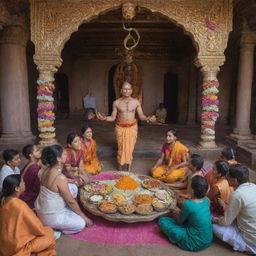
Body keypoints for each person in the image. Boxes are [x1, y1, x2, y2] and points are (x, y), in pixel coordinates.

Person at [34, 145, 93, 235]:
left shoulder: (45, 170)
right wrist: (85, 217)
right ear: (58, 159)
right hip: (50, 216)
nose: (67, 155)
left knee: (72, 186)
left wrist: (70, 180)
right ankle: (55, 229)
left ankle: (65, 216)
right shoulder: (60, 178)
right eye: (64, 154)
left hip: (41, 209)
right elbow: (71, 201)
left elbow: (54, 184)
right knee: (81, 223)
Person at [97, 81, 156, 171]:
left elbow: (141, 116)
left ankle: (128, 169)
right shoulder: (116, 103)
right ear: (121, 90)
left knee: (130, 149)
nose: (126, 91)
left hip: (132, 128)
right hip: (120, 128)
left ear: (131, 90)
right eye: (124, 89)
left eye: (128, 89)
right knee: (121, 148)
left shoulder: (136, 102)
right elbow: (112, 118)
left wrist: (149, 118)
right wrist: (104, 118)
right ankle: (120, 169)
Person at [0, 174, 56, 256]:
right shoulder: (19, 205)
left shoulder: (4, 200)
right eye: (23, 182)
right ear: (17, 188)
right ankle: (24, 252)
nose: (24, 184)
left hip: (4, 244)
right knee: (49, 234)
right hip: (15, 246)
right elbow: (38, 228)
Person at [158, 176, 213, 251]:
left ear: (193, 191)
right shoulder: (206, 200)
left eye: (190, 186)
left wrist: (176, 211)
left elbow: (179, 222)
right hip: (208, 239)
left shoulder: (188, 204)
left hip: (195, 242)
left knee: (163, 221)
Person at [212, 165, 256, 254]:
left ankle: (245, 246)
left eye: (228, 177)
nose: (226, 179)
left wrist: (215, 220)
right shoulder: (253, 187)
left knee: (213, 227)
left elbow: (225, 222)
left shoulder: (237, 194)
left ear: (235, 180)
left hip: (251, 239)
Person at [19, 144, 41, 208]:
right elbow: (37, 188)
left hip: (23, 194)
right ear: (31, 155)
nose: (40, 151)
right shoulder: (34, 168)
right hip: (29, 198)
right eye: (37, 150)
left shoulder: (30, 164)